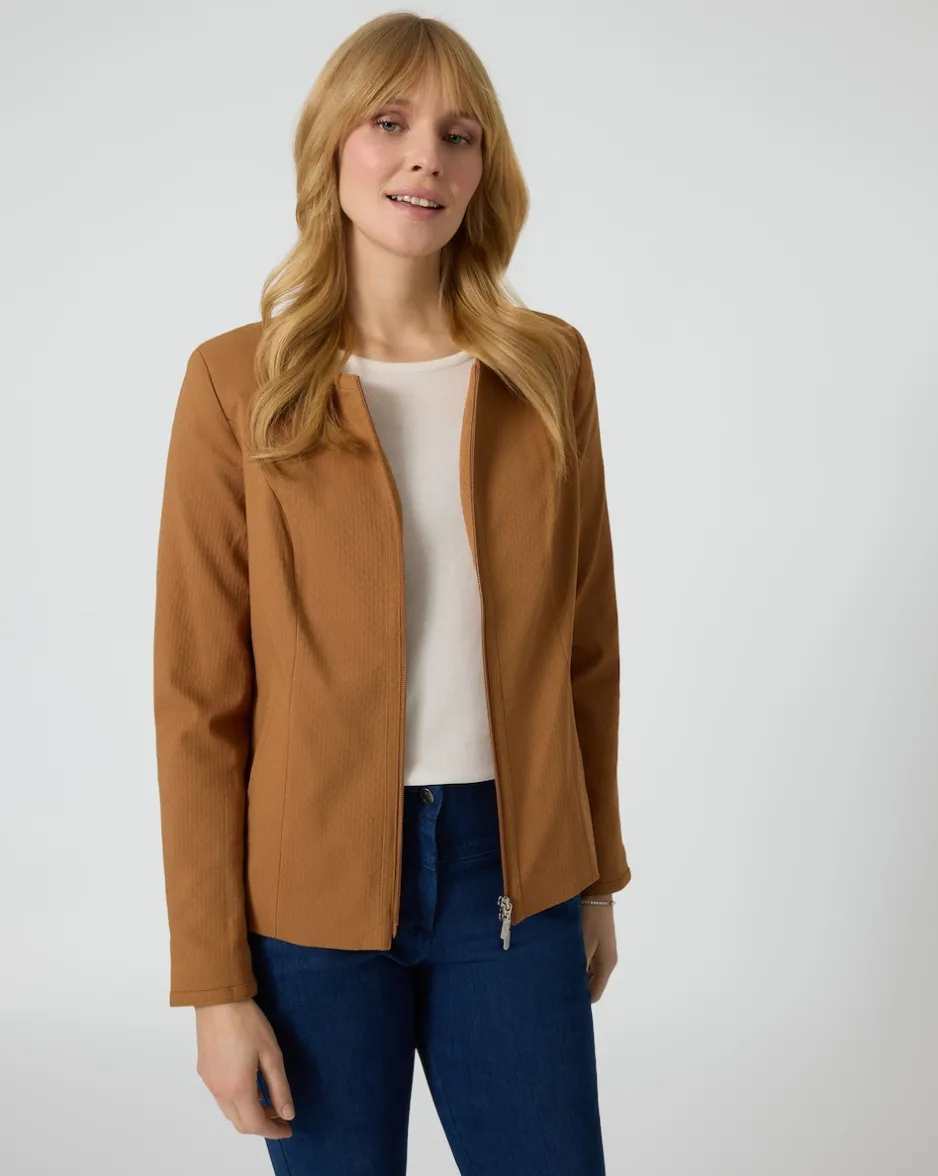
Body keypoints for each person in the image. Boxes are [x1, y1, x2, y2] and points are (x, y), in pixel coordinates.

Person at [152, 11, 631, 1175]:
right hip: (306, 895)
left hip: (514, 876)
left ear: (483, 170)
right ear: (332, 145)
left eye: (459, 135)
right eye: (390, 123)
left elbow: (586, 646)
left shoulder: (546, 366)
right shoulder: (236, 383)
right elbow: (198, 700)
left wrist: (596, 877)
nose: (427, 157)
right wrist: (215, 984)